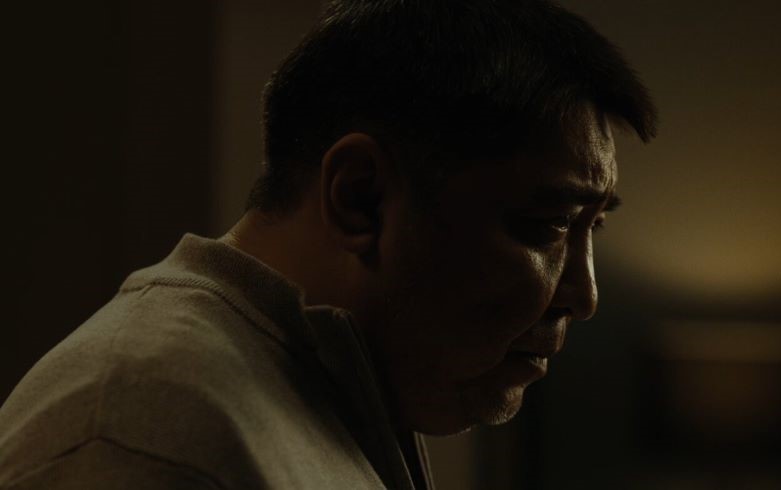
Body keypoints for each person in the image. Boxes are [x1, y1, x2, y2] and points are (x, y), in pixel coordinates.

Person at [0, 0, 656, 488]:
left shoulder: (337, 384)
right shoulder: (141, 437)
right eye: (546, 225)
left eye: (592, 226)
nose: (584, 295)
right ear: (360, 197)